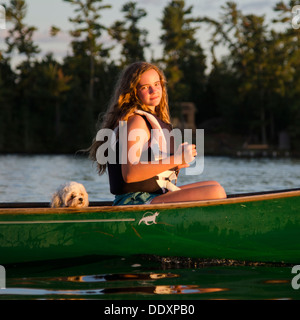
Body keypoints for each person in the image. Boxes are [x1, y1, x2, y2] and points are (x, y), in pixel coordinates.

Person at [88, 61, 226, 205]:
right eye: (145, 87)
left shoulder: (150, 119)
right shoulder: (137, 121)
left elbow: (149, 167)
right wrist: (177, 159)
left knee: (214, 185)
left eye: (156, 84)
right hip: (135, 201)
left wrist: (175, 165)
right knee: (216, 193)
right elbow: (130, 174)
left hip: (149, 196)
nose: (154, 91)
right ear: (133, 92)